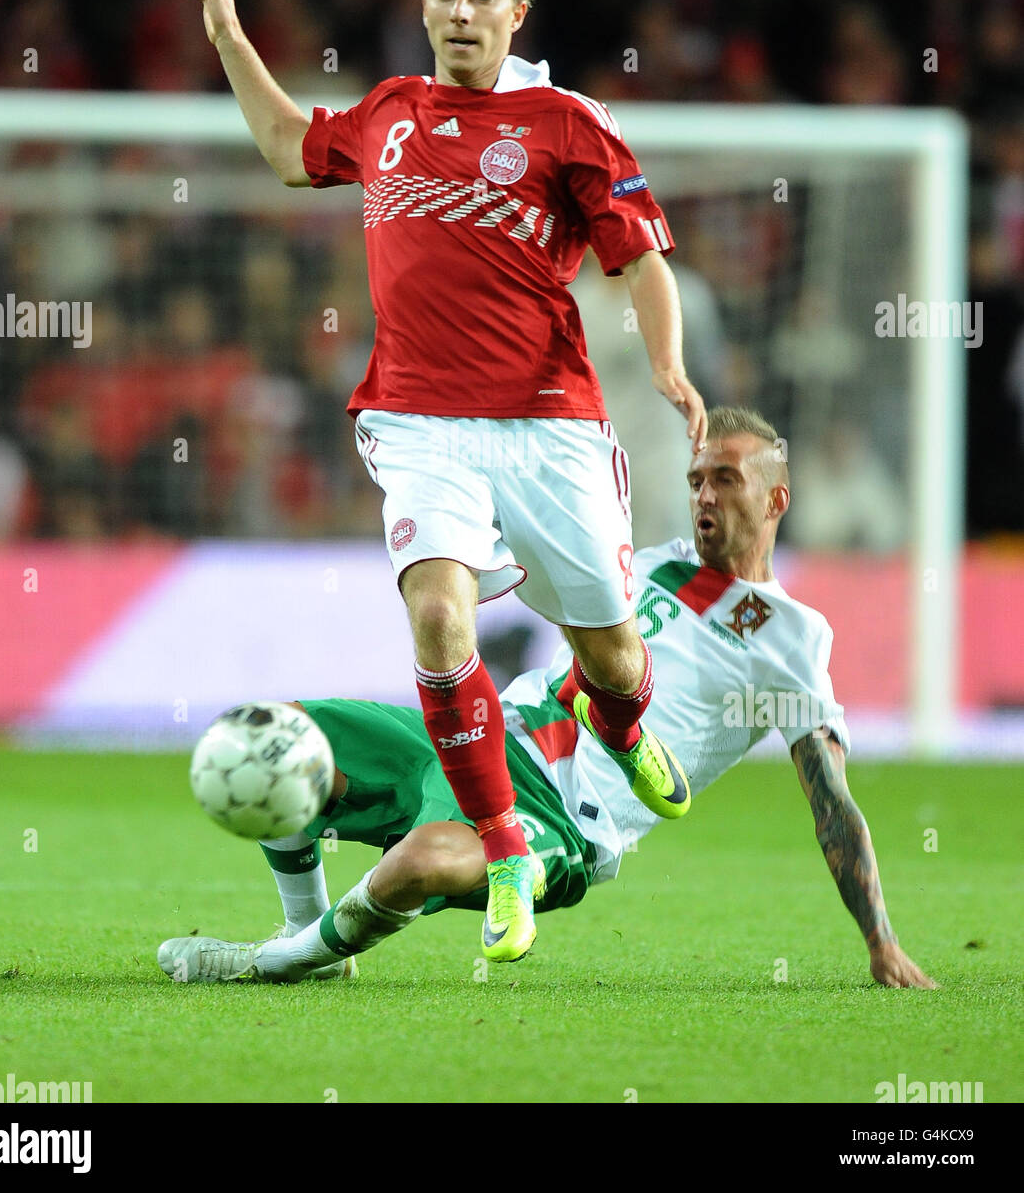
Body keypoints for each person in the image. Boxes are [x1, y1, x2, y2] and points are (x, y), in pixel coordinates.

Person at [184, 0, 707, 962]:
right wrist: (232, 38)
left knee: (609, 650)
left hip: (550, 425)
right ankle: (506, 845)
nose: (462, 13)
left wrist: (663, 366)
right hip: (421, 420)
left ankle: (621, 722)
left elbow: (641, 258)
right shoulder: (388, 113)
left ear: (516, 12)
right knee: (436, 616)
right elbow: (292, 149)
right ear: (420, 6)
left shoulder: (567, 122)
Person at [158, 407, 936, 990]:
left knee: (424, 859)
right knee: (285, 735)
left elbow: (830, 796)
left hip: (567, 819)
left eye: (726, 480)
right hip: (484, 741)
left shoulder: (793, 635)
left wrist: (880, 940)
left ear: (776, 499)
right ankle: (309, 936)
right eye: (697, 478)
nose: (705, 494)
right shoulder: (652, 565)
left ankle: (274, 962)